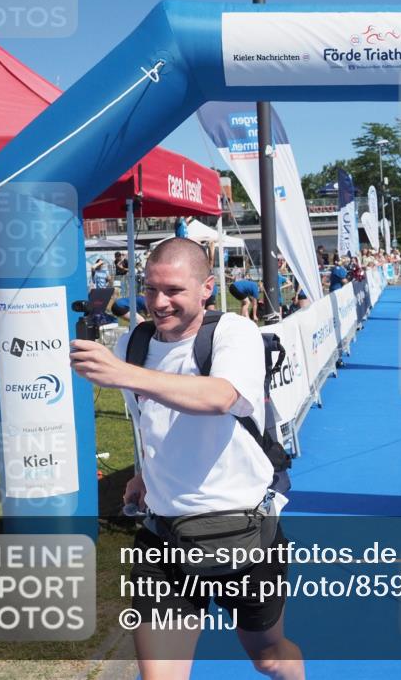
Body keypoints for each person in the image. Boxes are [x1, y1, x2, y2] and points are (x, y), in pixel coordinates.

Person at [69, 238, 303, 679]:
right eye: (151, 289)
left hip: (245, 534)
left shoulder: (233, 332)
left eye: (174, 290)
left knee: (270, 658)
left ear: (206, 288)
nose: (159, 302)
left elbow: (222, 396)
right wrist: (142, 473)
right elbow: (147, 420)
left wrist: (125, 374)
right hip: (164, 539)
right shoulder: (134, 343)